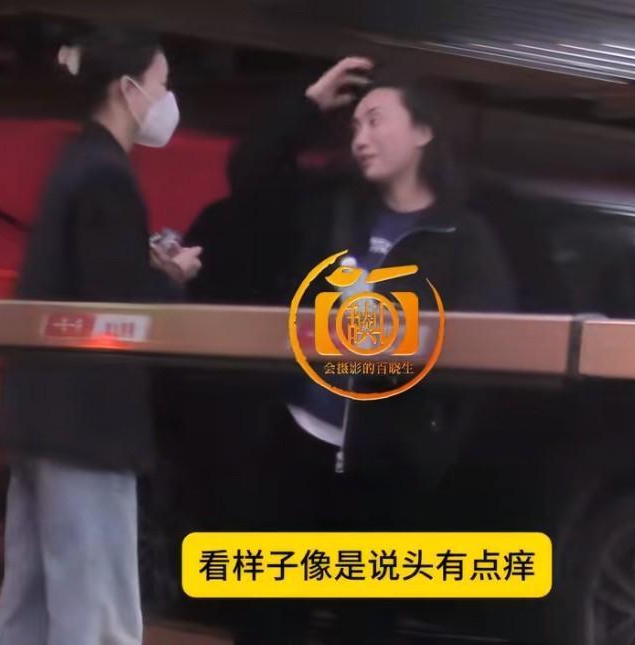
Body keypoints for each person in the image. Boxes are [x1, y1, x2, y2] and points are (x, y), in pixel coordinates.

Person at [226, 58, 515, 643]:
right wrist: (309, 104)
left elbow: (489, 349)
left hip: (388, 465)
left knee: (366, 625)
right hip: (297, 445)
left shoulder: (463, 238)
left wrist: (428, 432)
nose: (360, 138)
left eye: (376, 120)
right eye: (355, 126)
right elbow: (248, 174)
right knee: (267, 620)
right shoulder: (334, 209)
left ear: (423, 130)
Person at [0, 27, 202, 645]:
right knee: (96, 614)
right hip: (87, 427)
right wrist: (170, 279)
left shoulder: (74, 163)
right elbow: (117, 307)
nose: (166, 100)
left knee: (29, 611)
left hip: (37, 421)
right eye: (161, 84)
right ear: (127, 90)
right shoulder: (109, 176)